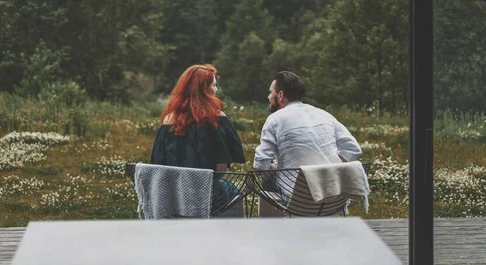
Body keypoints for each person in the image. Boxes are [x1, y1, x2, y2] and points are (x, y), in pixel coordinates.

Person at [253, 71, 362, 216]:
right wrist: (329, 168)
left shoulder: (275, 119)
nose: (268, 97)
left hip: (299, 199)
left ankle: (273, 232)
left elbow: (260, 166)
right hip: (332, 194)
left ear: (280, 95)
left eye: (270, 92)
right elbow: (353, 148)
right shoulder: (324, 114)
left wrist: (274, 166)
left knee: (267, 180)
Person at [150, 64, 246, 208]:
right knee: (232, 189)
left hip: (174, 197)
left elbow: (159, 166)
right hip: (206, 195)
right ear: (204, 90)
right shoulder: (216, 119)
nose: (216, 89)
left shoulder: (168, 120)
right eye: (214, 85)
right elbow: (221, 170)